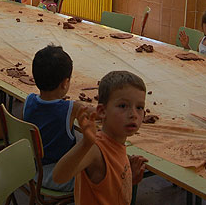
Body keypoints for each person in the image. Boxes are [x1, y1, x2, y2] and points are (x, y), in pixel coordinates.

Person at [53, 71, 149, 205]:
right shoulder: (96, 149)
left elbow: (109, 189)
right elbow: (58, 176)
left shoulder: (118, 142)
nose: (133, 114)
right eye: (123, 106)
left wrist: (128, 178)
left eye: (139, 107)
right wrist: (85, 144)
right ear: (102, 111)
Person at [23, 45, 85, 191]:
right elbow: (90, 111)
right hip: (57, 175)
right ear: (65, 83)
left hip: (30, 167)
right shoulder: (71, 108)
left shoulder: (28, 100)